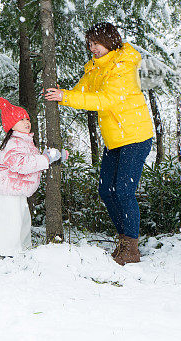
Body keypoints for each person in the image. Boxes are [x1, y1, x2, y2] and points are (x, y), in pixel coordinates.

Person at [44, 23, 153, 265]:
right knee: (106, 191)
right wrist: (62, 94)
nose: (93, 48)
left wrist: (67, 97)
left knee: (124, 191)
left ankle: (131, 249)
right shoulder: (96, 67)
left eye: (97, 43)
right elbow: (83, 89)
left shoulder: (122, 66)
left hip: (135, 137)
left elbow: (106, 100)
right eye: (90, 44)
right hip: (115, 138)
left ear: (110, 41)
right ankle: (125, 240)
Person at [0, 97, 66, 256]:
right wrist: (46, 159)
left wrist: (53, 157)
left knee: (23, 221)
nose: (27, 122)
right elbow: (22, 165)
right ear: (12, 125)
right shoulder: (13, 143)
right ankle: (7, 251)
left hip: (17, 189)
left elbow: (34, 160)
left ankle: (23, 248)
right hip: (8, 189)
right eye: (21, 119)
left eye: (27, 119)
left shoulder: (25, 141)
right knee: (11, 221)